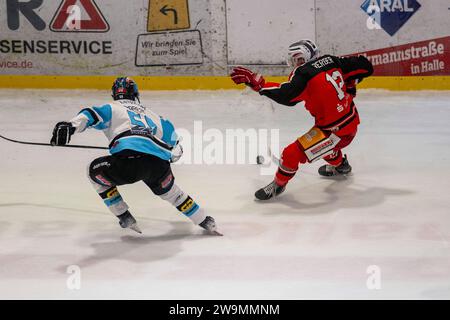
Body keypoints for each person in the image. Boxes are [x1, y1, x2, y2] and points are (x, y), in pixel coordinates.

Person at [50, 77, 220, 234]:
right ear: (135, 94)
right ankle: (205, 221)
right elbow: (175, 149)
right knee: (173, 194)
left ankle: (124, 215)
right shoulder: (153, 115)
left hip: (128, 165)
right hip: (158, 165)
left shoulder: (112, 107)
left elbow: (91, 114)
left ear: (115, 94)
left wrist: (71, 126)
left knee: (92, 171)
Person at [230, 39, 374, 200]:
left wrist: (260, 85)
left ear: (306, 57)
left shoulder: (303, 74)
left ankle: (278, 185)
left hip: (333, 133)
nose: (296, 63)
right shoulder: (332, 61)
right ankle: (342, 165)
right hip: (351, 123)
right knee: (322, 150)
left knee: (290, 154)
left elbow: (287, 95)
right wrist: (351, 83)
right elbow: (365, 66)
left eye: (298, 58)